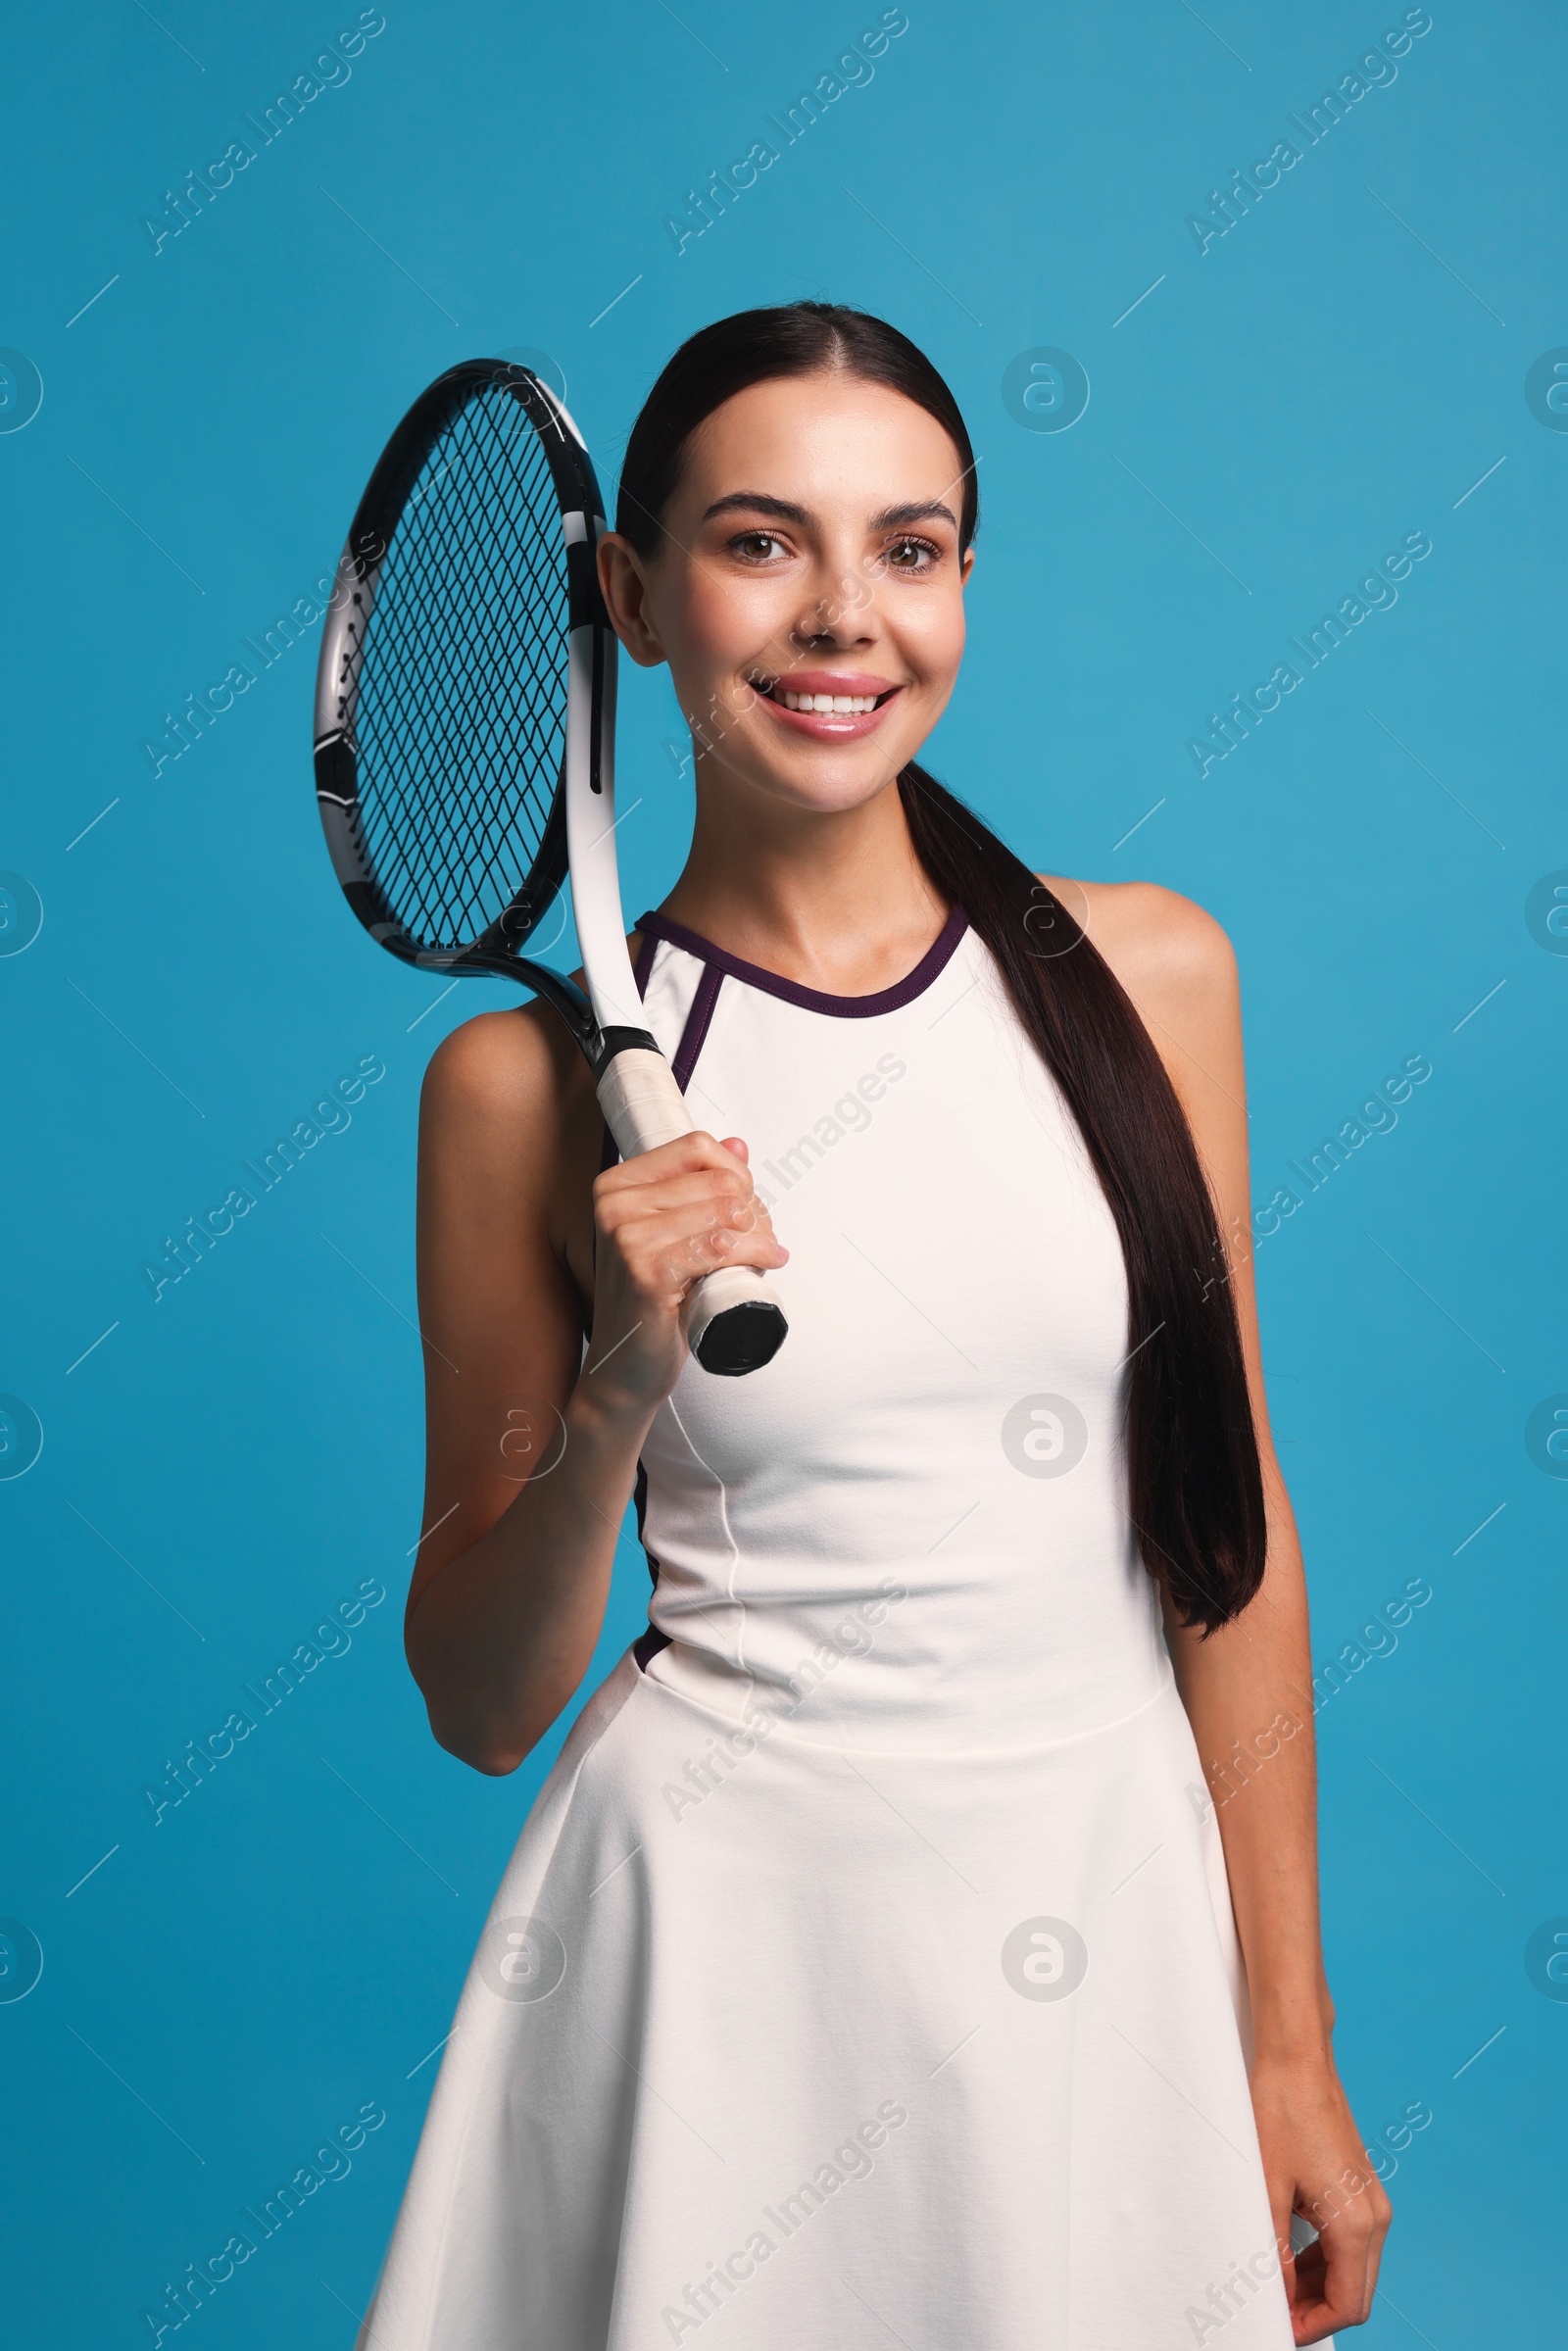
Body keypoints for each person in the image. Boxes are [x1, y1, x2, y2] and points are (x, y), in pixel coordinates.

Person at [358, 302, 1389, 2350]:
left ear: (959, 587)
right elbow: (482, 1705)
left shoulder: (1150, 977)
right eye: (759, 544)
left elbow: (1226, 1542)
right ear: (629, 600)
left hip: (1094, 1937)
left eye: (907, 549)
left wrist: (1284, 2042)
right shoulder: (515, 1095)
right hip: (715, 1964)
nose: (843, 617)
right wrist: (611, 1394)